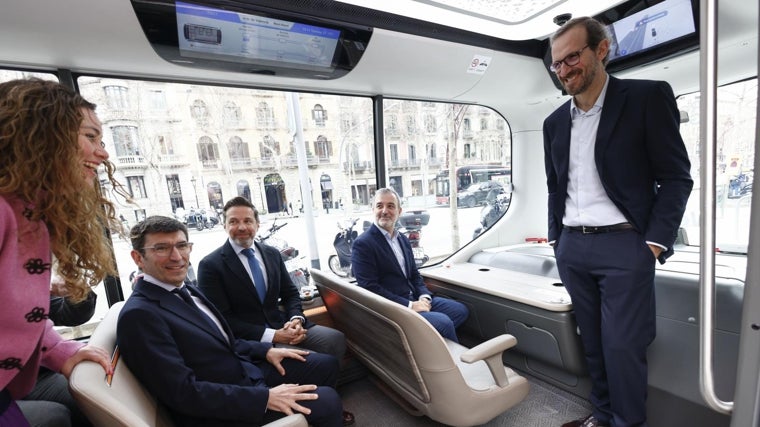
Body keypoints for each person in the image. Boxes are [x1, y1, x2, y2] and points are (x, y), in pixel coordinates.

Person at [543, 17, 693, 427]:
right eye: (557, 63)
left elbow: (677, 177)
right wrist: (557, 239)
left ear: (601, 49)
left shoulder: (646, 98)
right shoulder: (553, 123)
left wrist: (654, 242)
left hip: (626, 246)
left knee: (622, 348)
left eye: (572, 56)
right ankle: (602, 417)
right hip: (573, 248)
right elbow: (556, 187)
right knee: (592, 345)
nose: (564, 69)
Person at [117, 216, 344, 427]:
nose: (177, 256)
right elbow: (183, 393)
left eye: (182, 245)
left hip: (244, 370)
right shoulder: (140, 315)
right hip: (220, 407)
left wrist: (265, 351)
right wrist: (265, 398)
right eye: (161, 248)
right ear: (138, 258)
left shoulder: (186, 290)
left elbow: (222, 340)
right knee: (327, 400)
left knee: (326, 365)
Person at [0, 78, 121, 425]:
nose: (103, 153)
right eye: (90, 137)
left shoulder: (31, 211)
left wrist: (58, 349)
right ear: (42, 135)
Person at [198, 196, 346, 361]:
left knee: (335, 340)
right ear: (224, 226)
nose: (241, 227)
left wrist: (295, 319)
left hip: (283, 324)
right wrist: (274, 336)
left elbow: (290, 293)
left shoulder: (272, 254)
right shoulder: (210, 265)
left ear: (257, 225)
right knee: (318, 362)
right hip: (250, 339)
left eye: (248, 221)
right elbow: (222, 319)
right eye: (233, 222)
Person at [351, 188, 469, 342]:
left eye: (390, 206)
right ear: (373, 210)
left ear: (399, 211)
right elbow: (370, 288)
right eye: (379, 206)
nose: (384, 211)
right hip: (394, 308)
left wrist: (424, 296)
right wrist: (410, 306)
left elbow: (414, 274)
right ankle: (452, 363)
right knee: (444, 323)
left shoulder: (403, 240)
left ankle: (423, 345)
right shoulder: (363, 244)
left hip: (414, 298)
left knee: (460, 310)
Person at [19, 276, 97, 427]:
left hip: (33, 375)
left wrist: (77, 291)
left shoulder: (14, 279)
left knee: (90, 397)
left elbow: (67, 314)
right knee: (52, 418)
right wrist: (59, 351)